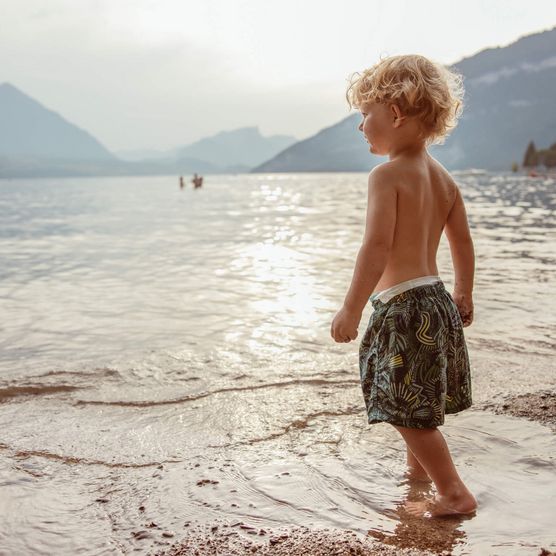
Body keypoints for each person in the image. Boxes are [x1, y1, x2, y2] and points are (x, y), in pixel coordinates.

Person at [330, 54, 477, 518]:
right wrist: (464, 294)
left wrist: (351, 309)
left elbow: (375, 247)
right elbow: (463, 243)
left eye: (365, 115)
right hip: (436, 301)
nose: (360, 127)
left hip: (404, 305)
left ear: (395, 114)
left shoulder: (386, 175)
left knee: (399, 403)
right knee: (420, 398)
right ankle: (418, 478)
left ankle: (453, 492)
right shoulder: (445, 180)